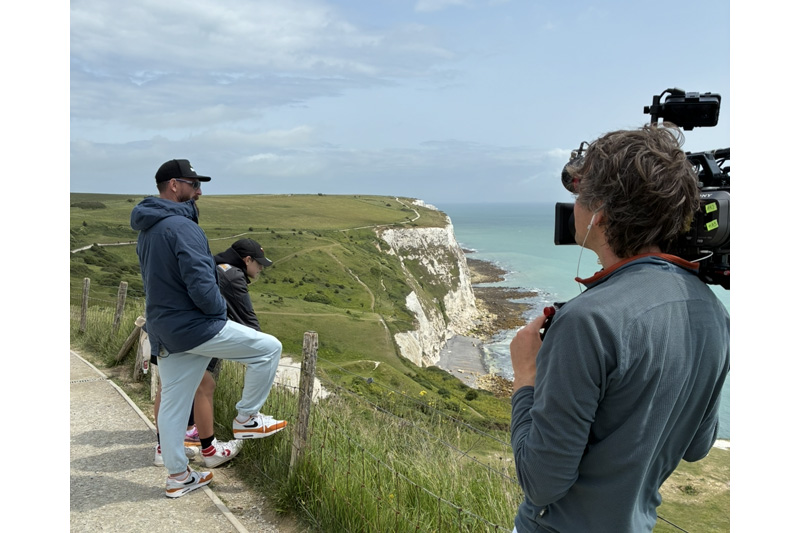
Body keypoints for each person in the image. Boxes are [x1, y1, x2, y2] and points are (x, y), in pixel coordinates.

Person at [508, 124, 730, 532]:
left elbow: (541, 484)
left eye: (578, 196)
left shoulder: (586, 322)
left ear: (600, 213)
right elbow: (698, 446)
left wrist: (526, 376)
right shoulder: (713, 312)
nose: (572, 206)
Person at [131, 159, 287, 498]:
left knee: (173, 402)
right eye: (193, 183)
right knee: (268, 348)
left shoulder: (149, 228)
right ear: (174, 185)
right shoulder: (182, 227)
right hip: (195, 325)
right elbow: (201, 282)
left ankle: (178, 477)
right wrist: (217, 313)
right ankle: (246, 418)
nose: (199, 190)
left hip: (166, 328)